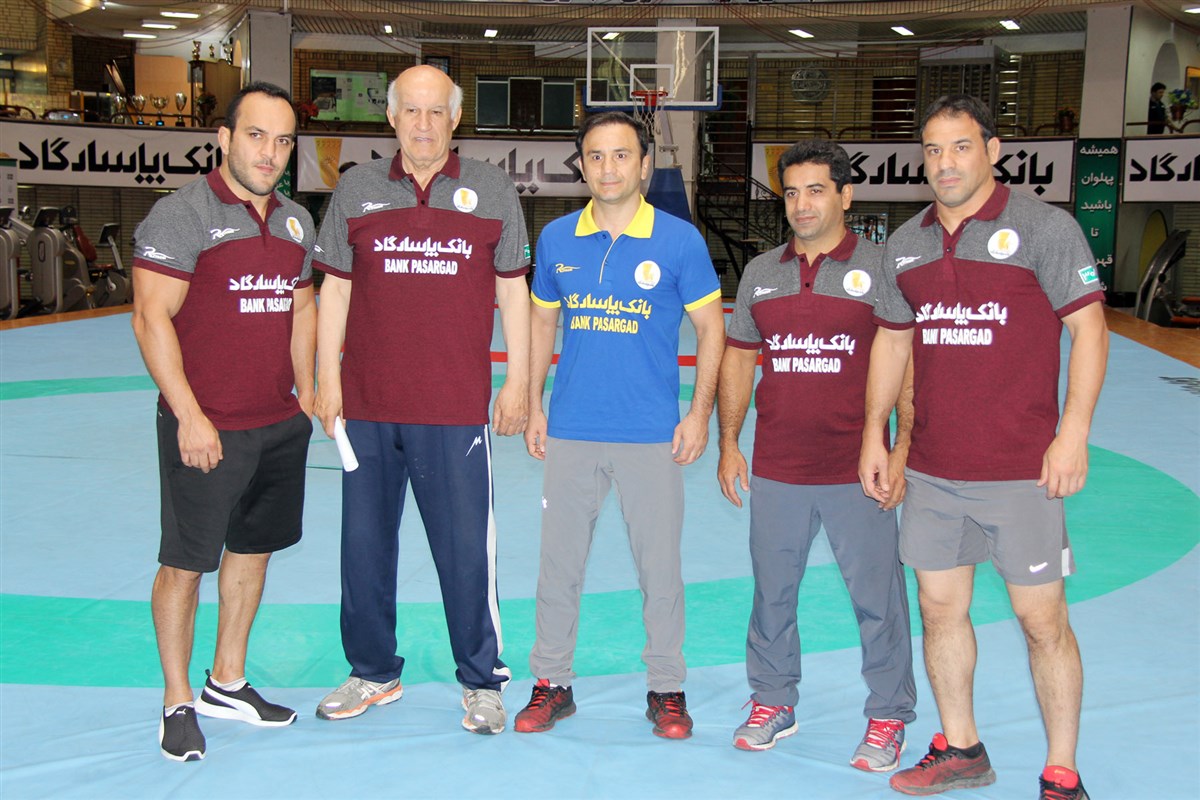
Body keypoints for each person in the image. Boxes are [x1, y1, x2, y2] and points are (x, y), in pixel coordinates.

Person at [859, 94, 1107, 800]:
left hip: (1021, 470)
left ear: (993, 151)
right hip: (934, 472)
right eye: (934, 150)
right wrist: (876, 433)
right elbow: (893, 343)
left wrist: (1072, 434)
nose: (945, 163)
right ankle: (962, 747)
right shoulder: (905, 243)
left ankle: (1062, 772)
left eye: (961, 146)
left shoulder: (1044, 229)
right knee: (940, 611)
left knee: (1042, 621)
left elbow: (1090, 331)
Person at [312, 65, 530, 735]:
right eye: (412, 110)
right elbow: (335, 289)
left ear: (455, 118)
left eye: (437, 111)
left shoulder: (492, 188)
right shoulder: (357, 188)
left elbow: (513, 290)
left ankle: (482, 680)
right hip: (367, 406)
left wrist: (519, 381)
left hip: (454, 409)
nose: (424, 124)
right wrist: (325, 378)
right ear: (392, 117)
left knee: (467, 553)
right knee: (363, 548)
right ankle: (372, 671)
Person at [513, 111, 724, 739]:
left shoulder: (679, 240)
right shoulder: (556, 238)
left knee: (660, 571)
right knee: (558, 566)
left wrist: (698, 414)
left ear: (644, 164)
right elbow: (542, 323)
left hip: (650, 434)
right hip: (572, 430)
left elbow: (712, 329)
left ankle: (667, 688)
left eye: (621, 155)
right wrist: (534, 403)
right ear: (582, 165)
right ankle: (552, 682)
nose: (608, 168)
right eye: (596, 156)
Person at [130, 81, 316, 762]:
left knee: (252, 551)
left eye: (283, 140)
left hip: (276, 423)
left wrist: (306, 392)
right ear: (226, 138)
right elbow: (150, 317)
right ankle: (178, 699)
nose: (270, 153)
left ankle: (226, 682)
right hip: (206, 425)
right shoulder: (182, 215)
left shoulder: (296, 221)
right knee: (185, 564)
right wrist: (189, 415)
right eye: (257, 136)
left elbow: (300, 307)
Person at [718, 139, 917, 769]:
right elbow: (739, 361)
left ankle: (889, 713)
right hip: (778, 466)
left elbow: (905, 365)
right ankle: (773, 699)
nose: (802, 205)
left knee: (877, 598)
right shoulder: (761, 272)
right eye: (792, 193)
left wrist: (900, 449)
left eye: (816, 190)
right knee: (772, 594)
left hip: (857, 468)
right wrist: (729, 443)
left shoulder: (881, 268)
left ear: (845, 195)